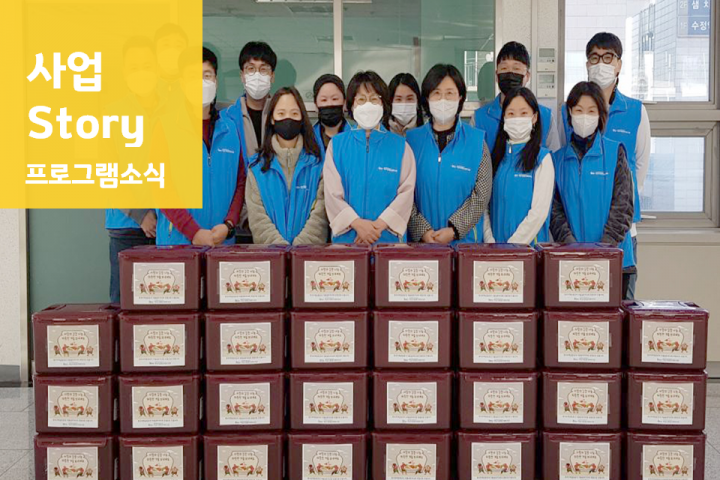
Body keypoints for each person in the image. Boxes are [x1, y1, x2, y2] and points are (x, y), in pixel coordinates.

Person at [560, 32, 650, 299]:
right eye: (594, 58)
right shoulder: (566, 111)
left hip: (621, 231)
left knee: (620, 305)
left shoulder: (635, 111)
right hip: (575, 230)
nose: (601, 63)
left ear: (619, 64)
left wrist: (618, 205)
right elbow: (562, 164)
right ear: (586, 64)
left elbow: (640, 166)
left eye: (608, 57)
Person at [551, 82, 635, 298]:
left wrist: (603, 250)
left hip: (615, 260)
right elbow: (554, 211)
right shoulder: (557, 160)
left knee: (615, 318)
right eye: (578, 110)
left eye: (591, 111)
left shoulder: (615, 152)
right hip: (571, 262)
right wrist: (572, 249)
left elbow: (623, 207)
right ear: (570, 114)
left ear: (600, 115)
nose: (584, 117)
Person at [154, 47, 245, 246]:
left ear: (216, 81)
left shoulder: (230, 128)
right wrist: (192, 231)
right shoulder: (165, 127)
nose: (201, 83)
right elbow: (161, 186)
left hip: (221, 243)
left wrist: (229, 224)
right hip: (177, 243)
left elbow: (240, 181)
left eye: (207, 75)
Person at [323, 70, 417, 244]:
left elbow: (406, 193)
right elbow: (331, 194)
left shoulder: (401, 147)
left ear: (383, 104)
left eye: (374, 99)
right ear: (351, 106)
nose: (368, 105)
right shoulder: (336, 146)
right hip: (348, 241)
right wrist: (357, 224)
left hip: (387, 240)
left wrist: (378, 227)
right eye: (361, 100)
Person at [105, 36, 163, 303]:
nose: (141, 73)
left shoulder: (173, 110)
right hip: (127, 226)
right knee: (126, 306)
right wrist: (140, 214)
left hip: (169, 226)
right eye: (134, 67)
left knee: (166, 305)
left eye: (147, 66)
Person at [406, 64, 491, 244]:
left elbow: (482, 194)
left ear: (460, 97)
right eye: (436, 93)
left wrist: (454, 230)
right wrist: (422, 230)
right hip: (422, 245)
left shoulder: (477, 141)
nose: (443, 99)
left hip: (465, 245)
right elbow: (403, 192)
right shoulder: (411, 141)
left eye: (450, 93)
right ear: (427, 98)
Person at [246, 86, 328, 244]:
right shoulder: (256, 168)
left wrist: (300, 249)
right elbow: (257, 219)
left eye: (294, 113)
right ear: (272, 118)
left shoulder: (318, 165)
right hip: (271, 256)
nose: (288, 118)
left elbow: (320, 215)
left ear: (302, 118)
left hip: (309, 255)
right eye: (281, 113)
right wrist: (280, 251)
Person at [484, 87, 554, 244]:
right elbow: (485, 206)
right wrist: (489, 240)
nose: (517, 119)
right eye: (511, 113)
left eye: (523, 113)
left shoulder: (542, 159)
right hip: (495, 249)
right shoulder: (496, 158)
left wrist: (513, 247)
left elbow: (539, 212)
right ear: (504, 118)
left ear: (534, 118)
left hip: (528, 251)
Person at [472, 41, 560, 152]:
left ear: (527, 76)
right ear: (496, 76)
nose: (510, 73)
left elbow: (554, 158)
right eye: (504, 68)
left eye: (516, 69)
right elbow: (473, 158)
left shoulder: (545, 117)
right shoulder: (479, 118)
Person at [225, 41, 277, 163]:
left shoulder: (281, 116)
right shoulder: (227, 119)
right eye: (251, 69)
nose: (257, 75)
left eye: (263, 69)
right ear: (242, 76)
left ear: (272, 76)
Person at [312, 74, 348, 159]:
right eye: (324, 100)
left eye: (335, 99)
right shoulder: (307, 139)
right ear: (316, 104)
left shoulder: (357, 138)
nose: (330, 104)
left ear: (344, 102)